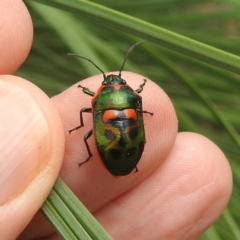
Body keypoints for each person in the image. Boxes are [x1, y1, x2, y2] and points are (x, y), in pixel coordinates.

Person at [0, 1, 232, 239]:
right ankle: (117, 159)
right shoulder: (133, 99)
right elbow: (138, 104)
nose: (112, 81)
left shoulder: (97, 101)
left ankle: (93, 153)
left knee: (89, 132)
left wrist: (82, 120)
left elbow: (87, 109)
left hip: (112, 141)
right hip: (130, 136)